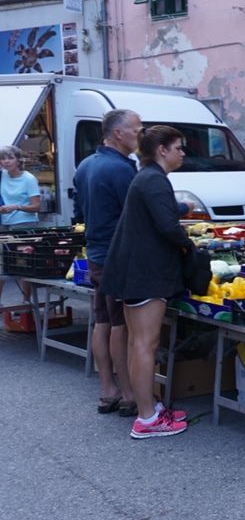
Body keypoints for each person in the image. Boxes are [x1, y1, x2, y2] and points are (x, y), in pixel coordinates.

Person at [101, 126, 192, 439]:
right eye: (178, 147)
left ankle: (149, 407)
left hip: (134, 269)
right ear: (162, 150)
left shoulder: (147, 177)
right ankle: (147, 418)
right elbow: (167, 226)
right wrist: (188, 244)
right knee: (145, 344)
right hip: (145, 272)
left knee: (136, 342)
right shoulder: (153, 179)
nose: (183, 153)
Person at [73, 109, 142, 415]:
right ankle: (128, 394)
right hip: (118, 256)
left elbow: (79, 213)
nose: (140, 135)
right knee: (120, 325)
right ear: (118, 133)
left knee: (102, 321)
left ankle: (107, 390)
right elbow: (137, 214)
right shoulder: (120, 168)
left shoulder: (86, 165)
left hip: (96, 255)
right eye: (136, 130)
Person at [0, 144, 42, 305]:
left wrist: (16, 206)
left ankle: (25, 301)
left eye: (10, 158)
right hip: (5, 224)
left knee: (23, 262)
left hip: (25, 224)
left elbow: (36, 206)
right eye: (3, 158)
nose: (6, 161)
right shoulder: (2, 175)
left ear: (19, 160)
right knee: (2, 264)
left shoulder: (29, 179)